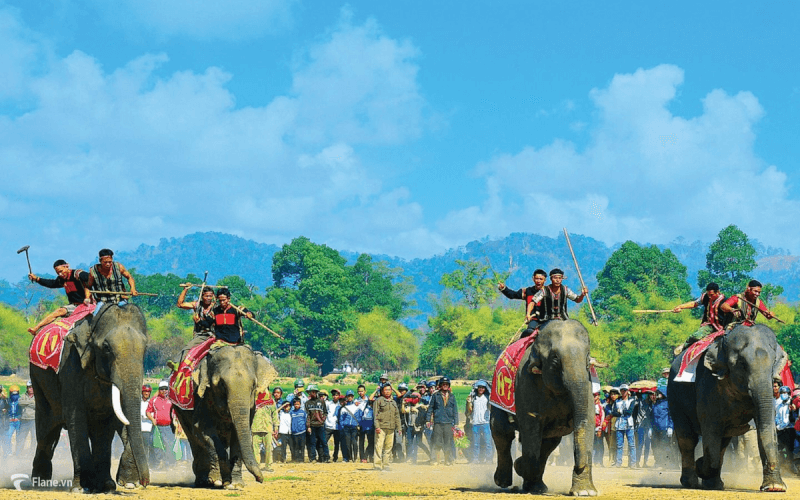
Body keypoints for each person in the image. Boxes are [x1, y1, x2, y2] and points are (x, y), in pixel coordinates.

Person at [27, 260, 91, 334]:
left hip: (87, 304)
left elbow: (91, 280)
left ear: (67, 266)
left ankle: (36, 328)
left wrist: (88, 297)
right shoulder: (61, 279)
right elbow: (51, 283)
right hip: (74, 306)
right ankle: (36, 328)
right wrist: (37, 279)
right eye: (58, 273)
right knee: (58, 313)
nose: (60, 274)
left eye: (61, 271)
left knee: (60, 311)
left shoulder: (78, 274)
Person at [672, 282, 726, 355]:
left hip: (722, 327)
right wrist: (680, 307)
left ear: (718, 292)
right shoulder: (706, 297)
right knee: (696, 336)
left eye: (711, 295)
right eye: (708, 295)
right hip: (709, 325)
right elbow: (694, 304)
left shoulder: (725, 301)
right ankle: (683, 347)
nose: (710, 297)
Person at [498, 269, 548, 335]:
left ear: (545, 280)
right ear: (533, 279)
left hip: (547, 320)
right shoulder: (527, 291)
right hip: (533, 320)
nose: (538, 281)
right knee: (529, 332)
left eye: (541, 279)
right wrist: (504, 288)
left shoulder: (549, 292)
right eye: (537, 278)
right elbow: (512, 295)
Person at [176, 283, 216, 358]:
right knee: (188, 350)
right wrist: (185, 290)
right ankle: (179, 363)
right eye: (206, 296)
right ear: (202, 296)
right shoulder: (197, 305)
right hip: (199, 334)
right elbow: (180, 304)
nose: (208, 298)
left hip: (213, 335)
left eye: (210, 296)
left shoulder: (215, 307)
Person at [428, 376, 458, 465]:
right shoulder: (435, 395)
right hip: (438, 422)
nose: (445, 386)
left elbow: (455, 410)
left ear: (448, 386)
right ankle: (435, 460)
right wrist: (428, 420)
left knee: (448, 442)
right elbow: (430, 408)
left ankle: (447, 460)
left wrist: (456, 423)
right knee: (437, 441)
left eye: (446, 384)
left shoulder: (452, 396)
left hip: (448, 422)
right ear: (440, 385)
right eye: (443, 384)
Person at [146, 381, 176, 468]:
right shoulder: (154, 400)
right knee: (157, 446)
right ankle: (158, 463)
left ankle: (169, 464)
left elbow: (176, 412)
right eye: (162, 389)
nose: (164, 391)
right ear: (159, 390)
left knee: (169, 445)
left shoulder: (171, 400)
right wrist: (152, 419)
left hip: (169, 427)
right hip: (157, 427)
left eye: (166, 389)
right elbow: (148, 411)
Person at [374, 384, 401, 471]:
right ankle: (377, 465)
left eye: (389, 390)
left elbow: (397, 416)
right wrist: (377, 426)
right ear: (382, 391)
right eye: (385, 390)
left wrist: (399, 428)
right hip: (381, 427)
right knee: (379, 446)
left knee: (388, 447)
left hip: (391, 428)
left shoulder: (393, 402)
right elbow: (375, 415)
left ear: (391, 391)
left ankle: (386, 465)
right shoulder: (378, 401)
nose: (387, 392)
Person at [252, 388, 279, 471]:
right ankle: (257, 466)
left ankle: (268, 466)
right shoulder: (253, 401)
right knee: (255, 449)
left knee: (269, 448)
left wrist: (276, 427)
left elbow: (275, 414)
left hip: (268, 428)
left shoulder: (271, 401)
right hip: (255, 427)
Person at [612, 384, 637, 468]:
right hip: (619, 425)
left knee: (631, 445)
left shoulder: (632, 400)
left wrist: (620, 411)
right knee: (619, 445)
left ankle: (633, 463)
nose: (623, 392)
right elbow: (614, 412)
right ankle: (618, 463)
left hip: (629, 425)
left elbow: (630, 412)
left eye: (625, 390)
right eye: (622, 390)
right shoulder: (617, 401)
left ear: (627, 391)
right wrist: (620, 412)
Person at [466, 380, 491, 464]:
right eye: (479, 387)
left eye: (483, 388)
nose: (481, 389)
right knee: (476, 443)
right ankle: (475, 459)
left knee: (488, 443)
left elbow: (490, 407)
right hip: (475, 423)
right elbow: (469, 410)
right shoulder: (473, 398)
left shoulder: (487, 397)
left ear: (485, 389)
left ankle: (488, 459)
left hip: (485, 423)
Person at [304, 384, 328, 463]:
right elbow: (307, 416)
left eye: (313, 392)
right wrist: (308, 426)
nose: (311, 393)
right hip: (312, 426)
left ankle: (326, 457)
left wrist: (322, 420)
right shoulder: (307, 403)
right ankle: (313, 458)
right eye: (310, 392)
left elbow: (325, 412)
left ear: (316, 392)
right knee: (312, 442)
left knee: (324, 442)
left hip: (320, 425)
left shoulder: (321, 402)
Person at [651, 389, 674, 469]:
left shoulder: (667, 403)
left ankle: (667, 463)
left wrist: (670, 427)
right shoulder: (655, 404)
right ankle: (658, 462)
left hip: (664, 428)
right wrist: (651, 428)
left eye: (658, 393)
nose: (657, 395)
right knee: (655, 446)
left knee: (665, 446)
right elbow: (652, 417)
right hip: (655, 429)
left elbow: (671, 416)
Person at [400, 389, 422, 464]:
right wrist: (403, 404)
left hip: (417, 427)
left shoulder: (421, 406)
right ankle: (409, 457)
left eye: (414, 397)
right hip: (410, 426)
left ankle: (414, 459)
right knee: (409, 443)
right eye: (412, 397)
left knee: (416, 443)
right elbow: (403, 411)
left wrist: (416, 409)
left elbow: (421, 412)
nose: (412, 399)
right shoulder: (410, 407)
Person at [775, 385, 794, 469]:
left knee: (790, 450)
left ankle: (791, 468)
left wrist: (778, 427)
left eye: (785, 392)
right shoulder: (779, 404)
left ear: (789, 393)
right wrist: (776, 425)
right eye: (782, 393)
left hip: (789, 430)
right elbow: (777, 417)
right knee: (778, 449)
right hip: (780, 430)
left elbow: (786, 420)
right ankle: (781, 467)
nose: (783, 394)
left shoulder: (791, 404)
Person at [338, 390, 360, 462]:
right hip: (346, 427)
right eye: (348, 396)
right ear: (346, 397)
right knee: (347, 443)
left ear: (353, 397)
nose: (350, 397)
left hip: (354, 427)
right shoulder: (344, 408)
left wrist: (358, 424)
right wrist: (343, 426)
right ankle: (349, 457)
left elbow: (359, 416)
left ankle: (355, 457)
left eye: (351, 396)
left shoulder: (357, 406)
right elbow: (341, 419)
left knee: (354, 442)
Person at [634, 391, 654, 467]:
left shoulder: (652, 404)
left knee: (647, 444)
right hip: (640, 425)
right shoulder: (639, 402)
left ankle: (645, 462)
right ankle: (637, 461)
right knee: (640, 444)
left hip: (648, 426)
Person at [16, 382, 36, 455]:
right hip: (24, 419)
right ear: (27, 388)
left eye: (32, 387)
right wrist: (31, 402)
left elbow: (36, 405)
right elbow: (20, 402)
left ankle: (32, 453)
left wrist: (26, 403)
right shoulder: (23, 395)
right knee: (21, 437)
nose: (31, 389)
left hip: (34, 420)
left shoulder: (37, 396)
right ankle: (18, 453)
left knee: (34, 438)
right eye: (29, 387)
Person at [3, 385, 21, 457]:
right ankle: (8, 452)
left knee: (19, 437)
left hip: (18, 421)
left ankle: (18, 452)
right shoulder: (7, 401)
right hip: (10, 422)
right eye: (13, 393)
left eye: (16, 393)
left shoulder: (21, 400)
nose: (14, 396)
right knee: (8, 436)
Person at [603, 388, 619, 466]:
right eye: (611, 394)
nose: (613, 396)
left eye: (614, 394)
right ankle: (611, 459)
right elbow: (607, 415)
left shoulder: (619, 403)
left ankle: (617, 460)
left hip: (619, 425)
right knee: (611, 443)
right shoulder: (608, 406)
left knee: (618, 444)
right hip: (610, 426)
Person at [324, 389, 341, 462]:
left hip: (337, 426)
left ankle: (335, 457)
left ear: (339, 396)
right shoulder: (328, 404)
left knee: (337, 443)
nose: (334, 396)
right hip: (328, 425)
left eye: (336, 395)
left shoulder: (341, 404)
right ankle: (326, 456)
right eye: (333, 395)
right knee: (324, 442)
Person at [356, 398, 375, 463]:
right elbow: (360, 416)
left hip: (371, 427)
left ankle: (369, 457)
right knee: (361, 443)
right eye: (371, 403)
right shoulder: (365, 409)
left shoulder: (375, 409)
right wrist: (359, 425)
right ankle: (363, 457)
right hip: (364, 426)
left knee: (371, 443)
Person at [289, 398, 307, 462]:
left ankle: (301, 459)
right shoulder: (291, 413)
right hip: (294, 433)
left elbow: (305, 421)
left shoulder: (303, 412)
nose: (296, 405)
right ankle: (296, 459)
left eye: (298, 404)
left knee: (302, 446)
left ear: (300, 404)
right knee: (296, 447)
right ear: (293, 405)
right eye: (295, 404)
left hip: (302, 432)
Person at [140, 384, 154, 463]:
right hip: (139, 427)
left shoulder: (151, 402)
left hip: (147, 428)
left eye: (148, 392)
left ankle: (146, 462)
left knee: (147, 446)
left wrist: (146, 415)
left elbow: (152, 414)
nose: (146, 393)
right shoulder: (138, 402)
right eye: (145, 391)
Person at [593, 392, 605, 466]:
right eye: (593, 395)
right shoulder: (590, 405)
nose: (594, 397)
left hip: (598, 428)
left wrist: (600, 428)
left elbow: (602, 417)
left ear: (599, 396)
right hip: (592, 428)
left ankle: (600, 461)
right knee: (593, 445)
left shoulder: (601, 406)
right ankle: (594, 461)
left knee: (600, 445)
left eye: (596, 395)